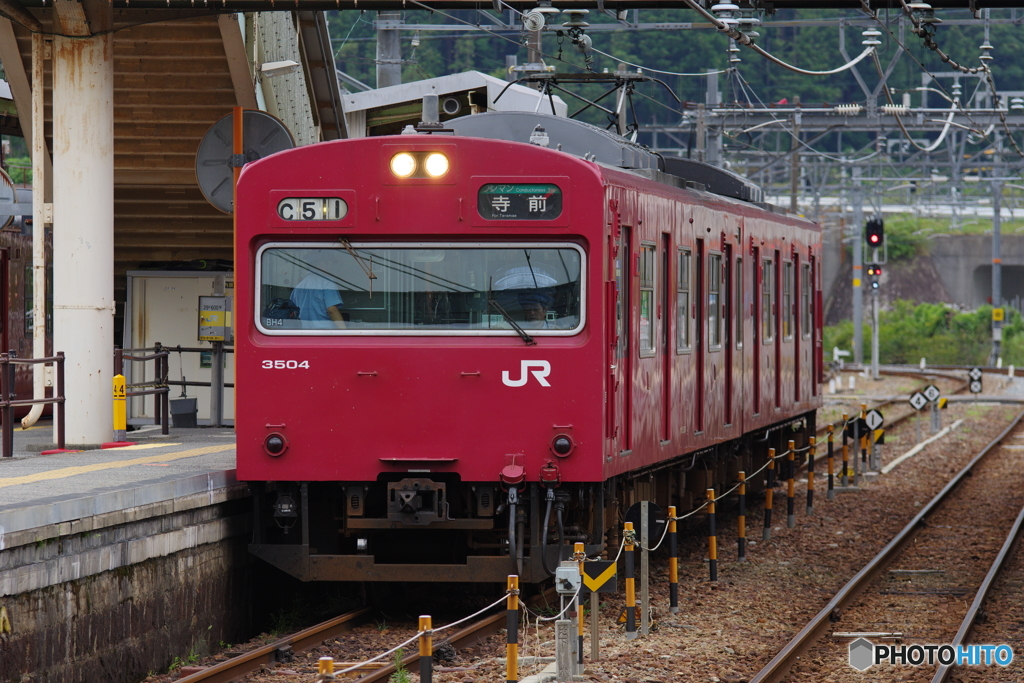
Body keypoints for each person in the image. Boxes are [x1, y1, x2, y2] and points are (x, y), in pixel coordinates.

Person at [291, 250, 346, 329]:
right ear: (322, 263)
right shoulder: (326, 282)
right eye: (330, 262)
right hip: (324, 333)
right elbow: (332, 310)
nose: (332, 266)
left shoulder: (298, 287)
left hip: (303, 333)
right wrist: (344, 331)